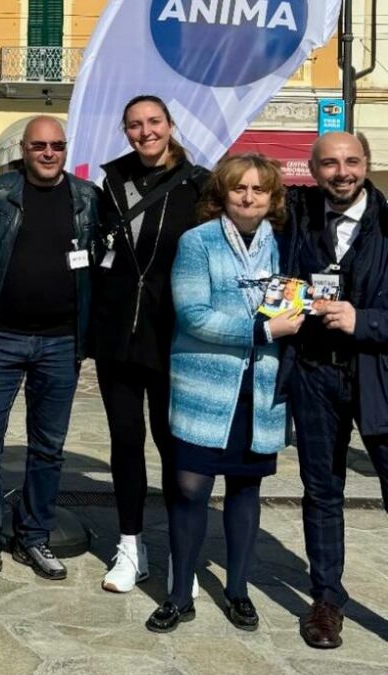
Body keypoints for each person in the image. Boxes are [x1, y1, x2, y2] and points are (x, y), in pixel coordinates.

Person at [146, 154, 301, 633]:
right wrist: (263, 331)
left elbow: (298, 301)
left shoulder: (285, 246)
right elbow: (193, 314)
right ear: (223, 194)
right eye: (239, 189)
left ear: (273, 199)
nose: (249, 197)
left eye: (259, 190)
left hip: (259, 388)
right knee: (190, 487)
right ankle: (179, 594)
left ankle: (237, 590)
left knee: (245, 488)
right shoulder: (198, 242)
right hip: (204, 384)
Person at [0, 116, 99, 580]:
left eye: (57, 145)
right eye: (39, 145)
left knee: (48, 448)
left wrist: (89, 338)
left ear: (66, 148)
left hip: (61, 343)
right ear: (23, 149)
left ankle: (34, 536)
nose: (48, 153)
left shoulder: (87, 199)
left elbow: (97, 271)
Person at [92, 95, 210, 594]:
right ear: (126, 131)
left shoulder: (202, 185)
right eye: (135, 125)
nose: (145, 132)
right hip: (117, 336)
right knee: (125, 443)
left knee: (171, 446)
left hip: (172, 338)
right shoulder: (111, 182)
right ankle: (130, 547)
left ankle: (180, 553)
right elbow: (98, 249)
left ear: (170, 125)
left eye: (153, 123)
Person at [279, 131, 388, 649]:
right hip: (314, 374)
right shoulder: (298, 215)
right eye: (329, 163)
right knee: (322, 493)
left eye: (350, 161)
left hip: (379, 376)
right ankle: (326, 601)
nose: (341, 172)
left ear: (366, 163)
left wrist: (362, 320)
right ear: (312, 169)